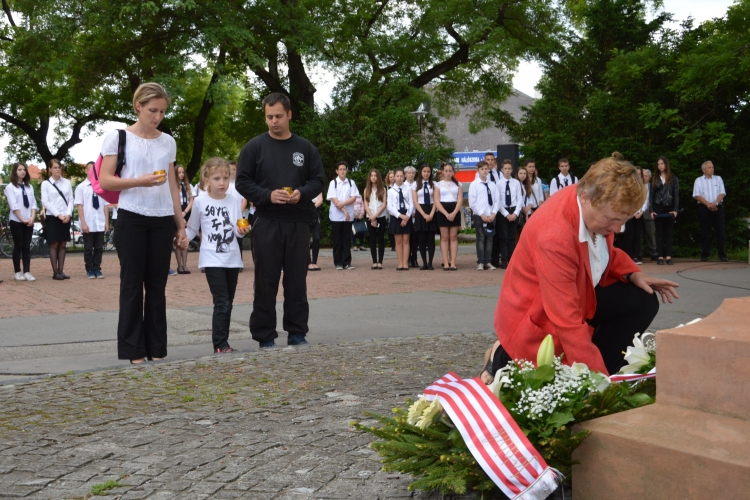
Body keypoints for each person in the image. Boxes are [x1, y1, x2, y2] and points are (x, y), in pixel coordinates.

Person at [484, 157, 679, 380]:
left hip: (575, 295)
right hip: (536, 317)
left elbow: (601, 253)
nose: (617, 228)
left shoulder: (592, 204)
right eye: (613, 219)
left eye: (623, 220)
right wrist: (599, 384)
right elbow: (565, 318)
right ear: (585, 198)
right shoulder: (554, 236)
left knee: (642, 301)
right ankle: (500, 357)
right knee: (534, 375)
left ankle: (601, 368)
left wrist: (634, 274)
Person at [98, 82, 189, 364]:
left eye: (162, 111)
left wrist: (181, 225)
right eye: (152, 110)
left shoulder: (168, 141)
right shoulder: (118, 137)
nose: (158, 116)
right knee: (132, 285)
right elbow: (105, 179)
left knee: (158, 286)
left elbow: (173, 187)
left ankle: (157, 349)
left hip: (162, 219)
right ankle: (133, 350)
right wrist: (141, 180)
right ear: (138, 106)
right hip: (132, 217)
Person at [235, 92, 325, 348]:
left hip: (298, 222)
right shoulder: (254, 147)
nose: (273, 121)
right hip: (267, 221)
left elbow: (318, 179)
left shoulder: (305, 148)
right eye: (268, 117)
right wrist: (266, 195)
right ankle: (265, 335)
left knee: (297, 279)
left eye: (278, 116)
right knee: (266, 280)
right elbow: (242, 181)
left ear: (289, 115)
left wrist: (302, 193)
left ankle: (297, 332)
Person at [186, 158, 250, 354]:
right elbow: (192, 228)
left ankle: (223, 341)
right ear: (206, 180)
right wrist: (182, 242)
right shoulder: (199, 202)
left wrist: (243, 230)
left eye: (225, 178)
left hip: (232, 257)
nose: (221, 183)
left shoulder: (235, 200)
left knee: (228, 302)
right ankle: (220, 345)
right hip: (211, 258)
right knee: (221, 301)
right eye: (216, 178)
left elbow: (238, 225)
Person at [74, 161, 109, 279]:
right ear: (86, 171)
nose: (93, 171)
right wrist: (83, 223)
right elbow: (79, 206)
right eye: (90, 169)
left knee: (99, 247)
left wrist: (106, 222)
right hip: (88, 222)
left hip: (99, 221)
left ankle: (97, 268)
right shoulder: (81, 187)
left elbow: (105, 206)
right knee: (88, 247)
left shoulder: (101, 186)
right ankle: (89, 269)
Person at [41, 158, 74, 280]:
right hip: (53, 217)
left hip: (66, 216)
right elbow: (45, 201)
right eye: (55, 167)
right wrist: (58, 215)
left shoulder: (66, 182)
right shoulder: (46, 184)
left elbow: (71, 199)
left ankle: (61, 271)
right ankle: (55, 272)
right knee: (54, 243)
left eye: (59, 167)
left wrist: (68, 214)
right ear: (50, 169)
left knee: (63, 244)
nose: (57, 169)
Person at [4, 162, 38, 281]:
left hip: (28, 220)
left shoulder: (29, 186)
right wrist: (22, 219)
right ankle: (17, 271)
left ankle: (27, 271)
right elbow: (14, 205)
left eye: (24, 169)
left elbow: (33, 203)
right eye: (19, 169)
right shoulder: (10, 187)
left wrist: (32, 217)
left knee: (26, 246)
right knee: (18, 245)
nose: (22, 171)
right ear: (15, 171)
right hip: (16, 221)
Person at [327, 160, 359, 270]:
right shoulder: (333, 183)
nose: (342, 171)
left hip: (348, 217)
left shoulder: (351, 182)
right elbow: (334, 199)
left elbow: (354, 197)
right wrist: (344, 210)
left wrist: (343, 205)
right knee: (337, 239)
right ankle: (338, 262)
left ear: (347, 171)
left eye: (344, 169)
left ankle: (347, 262)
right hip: (336, 216)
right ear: (337, 171)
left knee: (346, 239)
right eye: (340, 169)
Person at [693, 161, 727, 262]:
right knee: (705, 232)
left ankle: (722, 255)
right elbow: (697, 195)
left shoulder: (718, 179)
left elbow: (722, 192)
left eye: (712, 167)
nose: (712, 169)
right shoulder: (698, 180)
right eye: (709, 167)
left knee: (720, 231)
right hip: (704, 208)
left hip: (718, 207)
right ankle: (705, 255)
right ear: (704, 170)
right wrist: (708, 205)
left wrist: (715, 203)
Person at [468, 160, 499, 271]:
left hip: (491, 216)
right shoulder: (474, 184)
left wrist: (493, 213)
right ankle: (481, 262)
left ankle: (488, 261)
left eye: (486, 169)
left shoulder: (492, 184)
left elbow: (496, 200)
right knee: (480, 238)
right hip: (479, 216)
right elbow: (472, 202)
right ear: (478, 171)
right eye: (482, 169)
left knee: (490, 239)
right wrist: (482, 214)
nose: (484, 171)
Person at [650, 156, 679, 265]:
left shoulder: (673, 178)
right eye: (658, 164)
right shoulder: (655, 178)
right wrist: (651, 210)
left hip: (669, 207)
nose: (660, 166)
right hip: (658, 207)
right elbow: (651, 195)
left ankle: (668, 256)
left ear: (666, 164)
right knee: (659, 232)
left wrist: (675, 209)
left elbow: (676, 194)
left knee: (669, 232)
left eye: (662, 163)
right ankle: (660, 256)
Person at [434, 162, 463, 271]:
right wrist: (446, 214)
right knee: (444, 237)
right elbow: (436, 200)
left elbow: (460, 199)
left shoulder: (458, 184)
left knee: (453, 237)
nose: (448, 173)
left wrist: (454, 213)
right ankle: (445, 262)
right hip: (442, 211)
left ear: (453, 172)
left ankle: (453, 262)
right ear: (443, 172)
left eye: (450, 171)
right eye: (446, 171)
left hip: (454, 210)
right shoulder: (438, 184)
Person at [496, 160, 523, 269]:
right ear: (502, 170)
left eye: (509, 169)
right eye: (505, 169)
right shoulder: (498, 184)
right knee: (504, 238)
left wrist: (515, 213)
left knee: (512, 237)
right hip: (503, 212)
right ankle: (504, 260)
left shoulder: (516, 183)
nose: (507, 171)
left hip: (514, 210)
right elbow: (498, 201)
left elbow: (519, 199)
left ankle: (512, 259)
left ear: (512, 170)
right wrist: (506, 214)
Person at [411, 163, 437, 270]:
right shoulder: (415, 185)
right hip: (420, 212)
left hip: (431, 210)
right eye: (424, 171)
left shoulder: (434, 184)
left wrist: (431, 214)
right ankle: (424, 263)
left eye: (428, 171)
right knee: (421, 239)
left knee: (431, 238)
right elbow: (415, 201)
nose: (426, 173)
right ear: (421, 172)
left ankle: (430, 262)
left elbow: (436, 200)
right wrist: (424, 214)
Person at [387, 168, 414, 270]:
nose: (399, 178)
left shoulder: (408, 189)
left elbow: (411, 204)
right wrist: (400, 216)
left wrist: (407, 216)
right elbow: (389, 207)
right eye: (397, 176)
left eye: (401, 176)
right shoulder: (390, 191)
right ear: (394, 177)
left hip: (406, 215)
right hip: (396, 216)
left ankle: (406, 263)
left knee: (406, 240)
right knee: (398, 241)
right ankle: (400, 263)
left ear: (404, 176)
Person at [364, 169, 387, 269]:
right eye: (371, 175)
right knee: (372, 239)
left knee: (381, 239)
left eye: (375, 175)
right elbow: (366, 204)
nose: (373, 177)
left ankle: (380, 262)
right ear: (369, 177)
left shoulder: (383, 189)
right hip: (370, 218)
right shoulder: (366, 190)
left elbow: (384, 204)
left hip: (381, 216)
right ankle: (374, 261)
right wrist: (371, 217)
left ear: (378, 177)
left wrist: (376, 215)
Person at [624, 166, 647, 265]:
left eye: (639, 173)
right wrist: (632, 212)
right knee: (629, 235)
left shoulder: (644, 186)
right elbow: (627, 200)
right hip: (630, 214)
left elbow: (645, 200)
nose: (638, 175)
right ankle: (629, 257)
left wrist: (641, 211)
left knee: (638, 236)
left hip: (639, 214)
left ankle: (637, 256)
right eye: (636, 173)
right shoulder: (628, 185)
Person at [174, 164, 194, 274]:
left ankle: (185, 265)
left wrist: (185, 212)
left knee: (186, 238)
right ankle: (179, 265)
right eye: (179, 173)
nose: (181, 175)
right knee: (178, 238)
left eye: (183, 172)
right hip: (176, 212)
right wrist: (179, 214)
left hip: (186, 211)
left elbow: (191, 200)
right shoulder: (173, 186)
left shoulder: (188, 186)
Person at [641, 169, 658, 261]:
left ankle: (654, 253)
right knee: (639, 235)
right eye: (642, 175)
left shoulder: (653, 187)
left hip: (649, 212)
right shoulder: (636, 186)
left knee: (651, 234)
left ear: (649, 177)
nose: (644, 177)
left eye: (646, 176)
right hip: (638, 212)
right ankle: (639, 254)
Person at [404, 166, 419, 268]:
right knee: (407, 238)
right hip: (407, 215)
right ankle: (408, 258)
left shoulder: (417, 185)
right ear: (405, 174)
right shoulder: (403, 186)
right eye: (409, 173)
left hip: (417, 214)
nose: (411, 175)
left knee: (415, 238)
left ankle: (415, 259)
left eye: (413, 173)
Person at [516, 165, 538, 231]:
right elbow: (518, 199)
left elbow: (530, 199)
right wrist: (524, 209)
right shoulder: (516, 184)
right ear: (517, 174)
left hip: (527, 211)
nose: (523, 175)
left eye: (524, 173)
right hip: (519, 212)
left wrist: (528, 208)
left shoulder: (526, 185)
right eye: (520, 173)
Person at [308, 193, 323, 271]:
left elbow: (320, 199)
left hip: (315, 211)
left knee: (316, 237)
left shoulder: (316, 186)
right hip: (305, 212)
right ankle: (308, 262)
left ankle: (314, 262)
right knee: (305, 238)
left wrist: (313, 207)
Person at [386, 170, 396, 252]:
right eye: (391, 177)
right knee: (390, 227)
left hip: (397, 209)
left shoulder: (398, 187)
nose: (392, 178)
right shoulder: (386, 188)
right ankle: (393, 245)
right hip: (388, 210)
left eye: (393, 176)